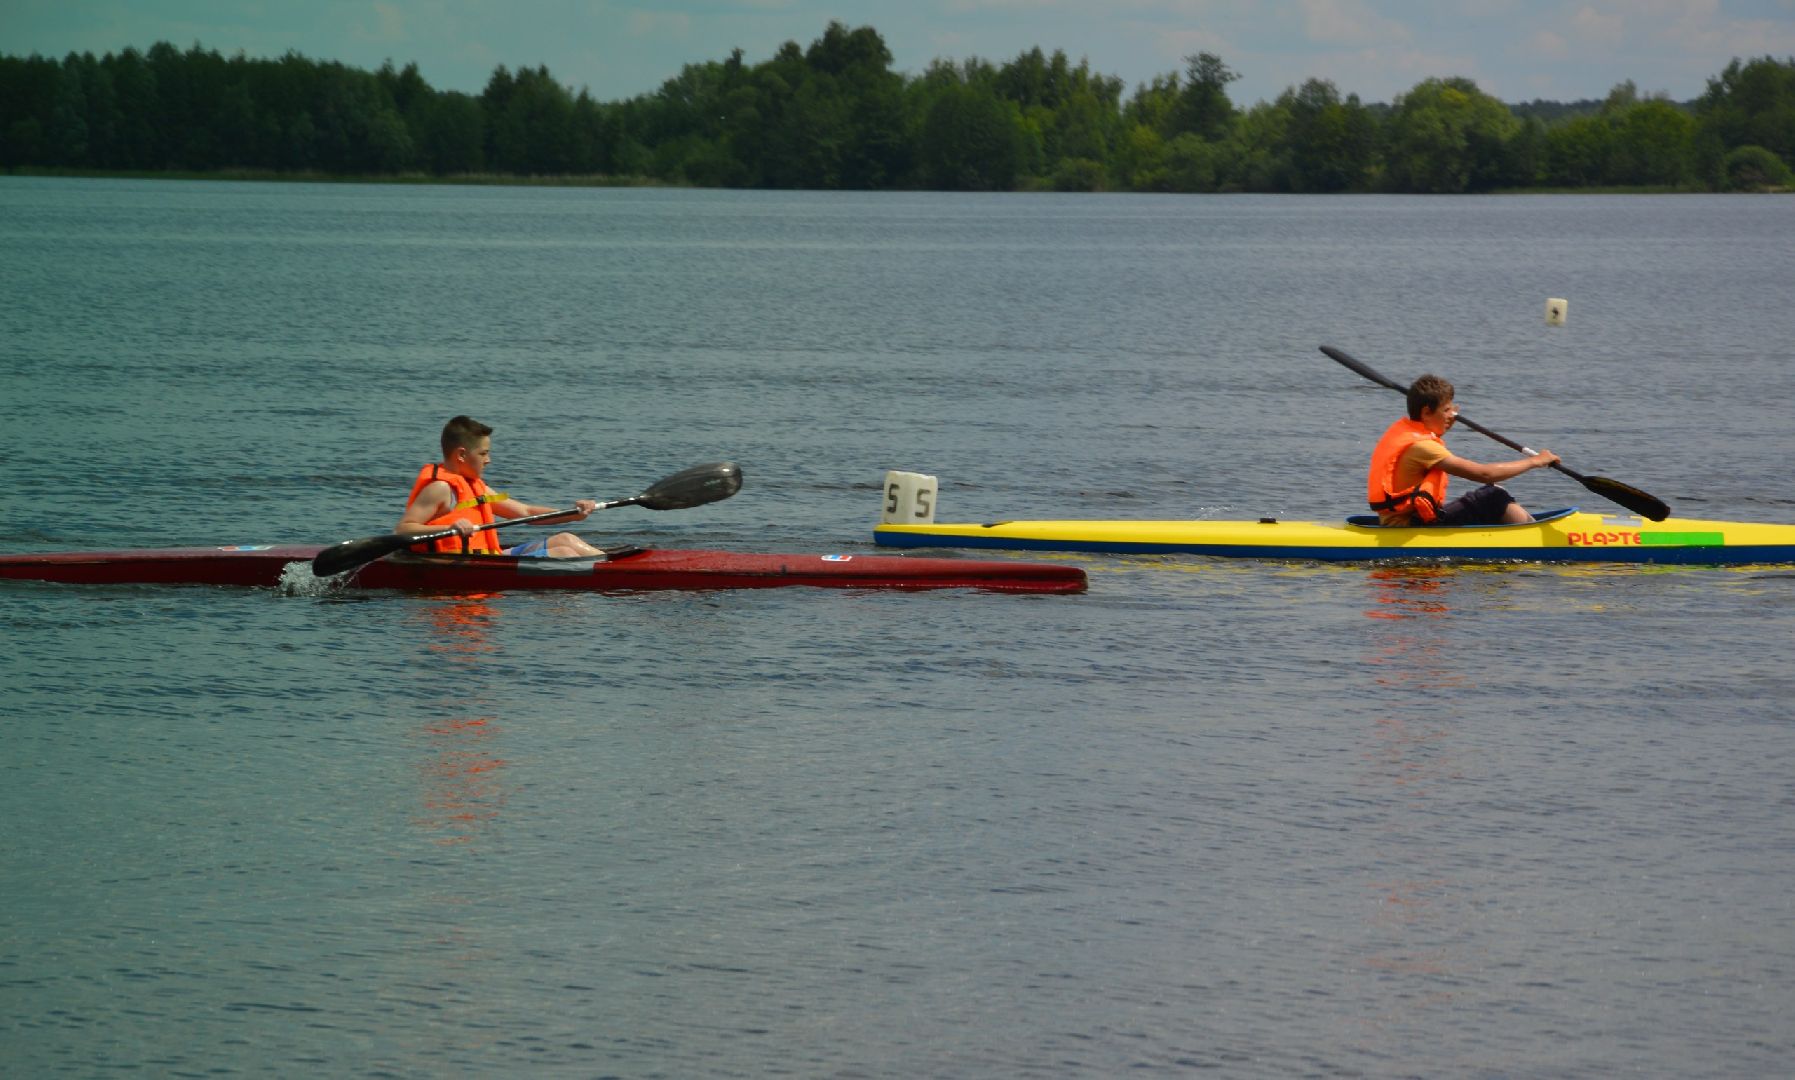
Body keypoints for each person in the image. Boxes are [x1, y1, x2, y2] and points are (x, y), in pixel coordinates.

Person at [1367, 373, 1561, 526]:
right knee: (1494, 496)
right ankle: (1534, 539)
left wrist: (1444, 417)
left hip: (1401, 521)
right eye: (1446, 410)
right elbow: (1484, 474)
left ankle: (1514, 531)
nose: (1452, 415)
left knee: (1490, 495)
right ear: (1426, 412)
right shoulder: (1423, 447)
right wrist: (1535, 461)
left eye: (1453, 410)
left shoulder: (1406, 434)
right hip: (1411, 527)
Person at [396, 415, 603, 557]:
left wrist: (574, 513)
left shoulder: (480, 490)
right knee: (564, 554)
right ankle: (613, 574)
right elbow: (403, 530)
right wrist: (450, 528)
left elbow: (526, 512)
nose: (489, 460)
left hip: (491, 557)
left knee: (566, 540)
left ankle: (616, 565)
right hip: (458, 564)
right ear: (461, 455)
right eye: (483, 453)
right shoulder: (440, 489)